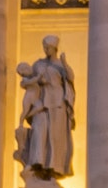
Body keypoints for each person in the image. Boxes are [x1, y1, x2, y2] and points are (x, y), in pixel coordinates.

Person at [15, 35, 75, 179]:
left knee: (55, 137)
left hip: (58, 103)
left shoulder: (60, 65)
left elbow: (70, 79)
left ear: (54, 48)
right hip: (42, 102)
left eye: (48, 47)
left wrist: (65, 63)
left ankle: (54, 168)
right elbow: (30, 80)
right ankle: (36, 163)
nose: (45, 50)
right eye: (44, 47)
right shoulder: (38, 64)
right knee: (39, 130)